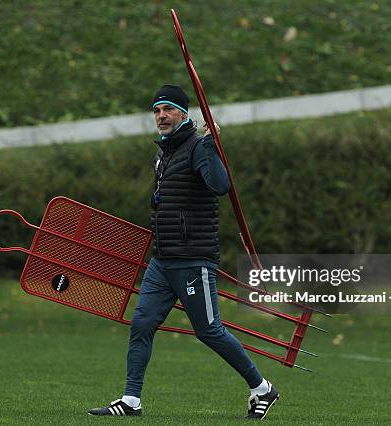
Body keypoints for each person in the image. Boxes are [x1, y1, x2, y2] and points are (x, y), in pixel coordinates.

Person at [88, 85, 278, 420]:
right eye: (157, 110)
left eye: (168, 110)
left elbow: (220, 186)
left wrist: (211, 145)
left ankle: (262, 388)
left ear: (184, 114)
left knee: (209, 330)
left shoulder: (196, 147)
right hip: (163, 261)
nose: (161, 116)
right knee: (142, 324)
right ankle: (131, 399)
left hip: (192, 259)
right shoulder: (164, 153)